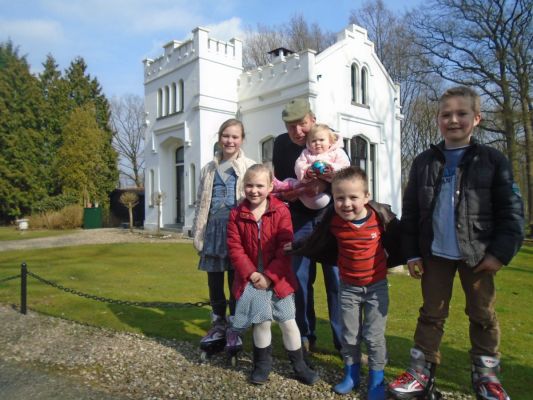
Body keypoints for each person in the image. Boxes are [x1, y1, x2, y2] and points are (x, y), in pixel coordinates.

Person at [388, 86, 524, 400]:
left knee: (482, 314)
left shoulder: (492, 160)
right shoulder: (423, 162)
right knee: (431, 315)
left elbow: (512, 210)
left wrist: (500, 253)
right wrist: (410, 254)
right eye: (445, 114)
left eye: (461, 113)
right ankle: (421, 373)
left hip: (478, 254)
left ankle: (487, 377)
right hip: (434, 254)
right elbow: (410, 214)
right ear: (437, 120)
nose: (453, 120)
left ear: (476, 118)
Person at [290, 166, 404, 399]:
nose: (347, 204)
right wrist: (295, 245)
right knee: (349, 336)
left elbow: (402, 239)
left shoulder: (380, 218)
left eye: (353, 197)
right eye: (340, 198)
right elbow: (315, 239)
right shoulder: (333, 220)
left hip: (376, 288)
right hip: (349, 288)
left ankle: (376, 380)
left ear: (366, 197)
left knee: (373, 337)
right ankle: (351, 375)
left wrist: (414, 257)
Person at [226, 164, 319, 385]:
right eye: (249, 185)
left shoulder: (281, 211)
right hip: (252, 280)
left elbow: (284, 248)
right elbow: (235, 249)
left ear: (270, 187)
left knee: (288, 322)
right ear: (243, 187)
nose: (254, 190)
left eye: (260, 185)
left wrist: (269, 276)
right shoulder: (236, 214)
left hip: (279, 279)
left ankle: (299, 366)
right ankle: (262, 365)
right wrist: (253, 275)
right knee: (262, 322)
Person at [272, 98, 343, 353]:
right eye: (291, 127)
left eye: (301, 124)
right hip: (298, 218)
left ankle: (343, 341)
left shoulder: (329, 138)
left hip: (330, 216)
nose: (298, 132)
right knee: (300, 278)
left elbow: (349, 176)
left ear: (312, 120)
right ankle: (304, 335)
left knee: (336, 278)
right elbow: (281, 183)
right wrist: (285, 195)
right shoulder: (280, 145)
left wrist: (325, 184)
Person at [192, 118, 256, 358]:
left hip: (236, 231)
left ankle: (235, 328)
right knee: (214, 283)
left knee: (236, 283)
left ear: (241, 140)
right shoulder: (208, 168)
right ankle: (218, 324)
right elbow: (201, 202)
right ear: (220, 138)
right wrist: (197, 231)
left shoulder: (249, 166)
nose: (230, 140)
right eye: (226, 136)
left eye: (235, 136)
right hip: (213, 231)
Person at [273, 123, 351, 210]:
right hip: (305, 183)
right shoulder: (306, 153)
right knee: (288, 180)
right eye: (313, 141)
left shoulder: (337, 152)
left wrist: (331, 168)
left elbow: (345, 168)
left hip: (320, 195)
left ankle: (299, 192)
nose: (317, 143)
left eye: (321, 140)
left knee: (321, 201)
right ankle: (281, 188)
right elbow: (299, 165)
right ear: (308, 143)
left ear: (330, 141)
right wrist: (306, 171)